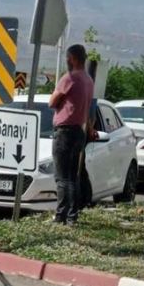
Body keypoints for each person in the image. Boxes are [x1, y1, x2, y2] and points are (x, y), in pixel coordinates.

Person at [48, 44, 95, 225]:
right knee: (73, 176)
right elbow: (89, 107)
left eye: (68, 58)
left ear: (72, 59)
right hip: (79, 131)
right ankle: (72, 215)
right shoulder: (88, 80)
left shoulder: (69, 78)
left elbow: (52, 102)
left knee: (62, 178)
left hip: (65, 131)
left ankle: (60, 216)